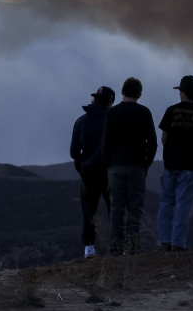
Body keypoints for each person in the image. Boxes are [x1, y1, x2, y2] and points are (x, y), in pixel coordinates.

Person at [100, 77, 157, 255]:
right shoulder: (145, 112)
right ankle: (132, 247)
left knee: (116, 206)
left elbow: (105, 142)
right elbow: (153, 143)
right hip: (137, 166)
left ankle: (115, 247)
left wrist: (108, 164)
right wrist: (146, 163)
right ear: (139, 94)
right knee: (134, 207)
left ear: (122, 92)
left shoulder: (112, 112)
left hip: (116, 166)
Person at [156, 75, 193, 252]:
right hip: (191, 165)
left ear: (182, 92)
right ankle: (178, 243)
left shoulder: (171, 111)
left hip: (170, 164)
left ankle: (163, 241)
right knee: (183, 205)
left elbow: (164, 138)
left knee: (166, 203)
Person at [70, 85, 114, 259]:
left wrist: (82, 166)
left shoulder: (81, 121)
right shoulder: (111, 121)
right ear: (110, 101)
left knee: (89, 209)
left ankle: (89, 248)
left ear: (94, 99)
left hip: (88, 171)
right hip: (109, 170)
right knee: (114, 208)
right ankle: (118, 246)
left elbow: (74, 152)